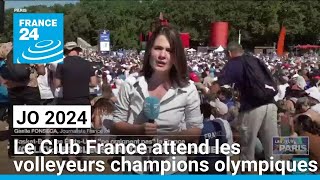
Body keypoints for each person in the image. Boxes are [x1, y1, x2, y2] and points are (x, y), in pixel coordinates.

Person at [111, 25, 203, 174]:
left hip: (173, 168)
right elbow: (116, 125)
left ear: (176, 56)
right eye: (158, 48)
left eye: (169, 50)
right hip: (135, 167)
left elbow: (196, 130)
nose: (163, 55)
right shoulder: (131, 84)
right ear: (149, 52)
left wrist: (170, 139)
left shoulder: (188, 89)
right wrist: (138, 130)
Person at [218, 42, 279, 169]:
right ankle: (275, 170)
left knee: (247, 146)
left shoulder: (234, 62)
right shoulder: (256, 60)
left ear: (229, 53)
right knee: (273, 144)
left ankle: (248, 172)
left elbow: (220, 83)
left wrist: (208, 92)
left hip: (252, 106)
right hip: (271, 103)